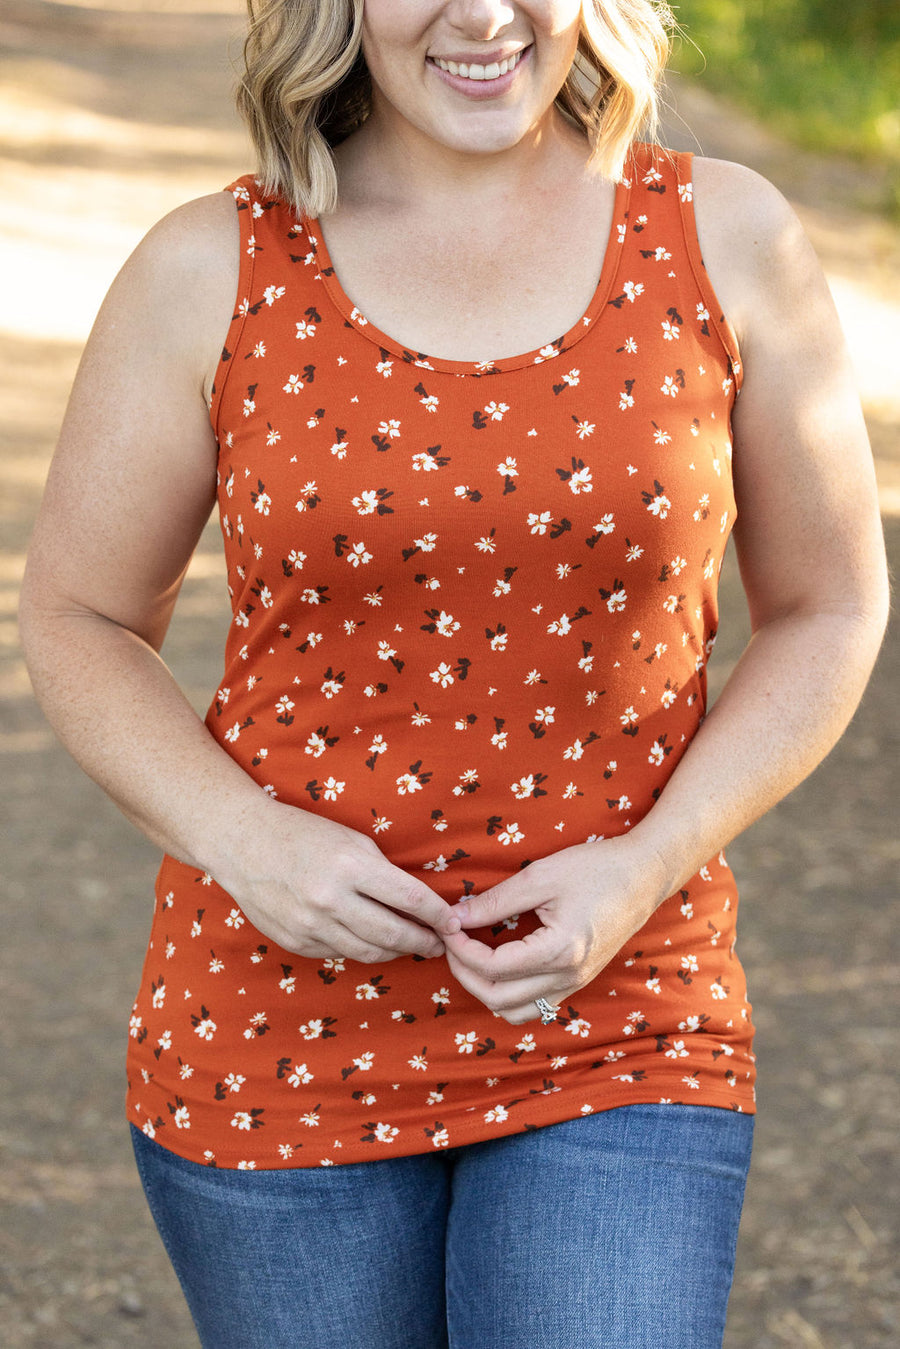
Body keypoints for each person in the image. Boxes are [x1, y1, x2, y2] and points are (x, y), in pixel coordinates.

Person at [18, 1, 888, 1345]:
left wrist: (644, 865)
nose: (483, 14)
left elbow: (829, 605)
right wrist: (245, 839)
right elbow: (77, 616)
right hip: (273, 1031)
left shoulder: (725, 236)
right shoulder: (212, 267)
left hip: (621, 1004)